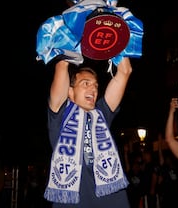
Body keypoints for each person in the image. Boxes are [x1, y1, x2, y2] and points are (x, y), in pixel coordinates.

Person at [43, 57, 132, 208]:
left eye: (96, 86)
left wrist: (116, 39)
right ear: (70, 91)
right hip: (73, 202)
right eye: (86, 84)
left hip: (112, 201)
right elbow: (62, 64)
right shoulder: (59, 115)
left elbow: (125, 71)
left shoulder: (101, 113)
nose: (94, 89)